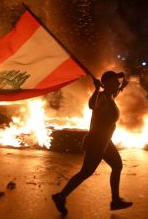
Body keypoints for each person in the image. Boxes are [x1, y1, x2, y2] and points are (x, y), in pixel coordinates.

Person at [51, 71, 132, 215]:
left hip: (105, 141)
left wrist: (121, 84)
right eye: (115, 82)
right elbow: (91, 105)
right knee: (86, 172)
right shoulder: (101, 97)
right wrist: (96, 89)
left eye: (117, 83)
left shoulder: (110, 96)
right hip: (96, 141)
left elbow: (116, 91)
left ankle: (115, 200)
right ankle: (60, 196)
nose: (117, 84)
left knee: (117, 165)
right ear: (106, 84)